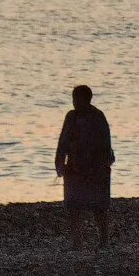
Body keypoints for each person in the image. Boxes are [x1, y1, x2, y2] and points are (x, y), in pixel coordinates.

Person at [55, 84, 115, 246]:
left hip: (96, 170)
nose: (74, 101)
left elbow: (105, 145)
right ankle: (77, 242)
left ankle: (103, 240)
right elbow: (63, 141)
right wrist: (59, 163)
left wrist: (102, 166)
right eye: (73, 98)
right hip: (75, 169)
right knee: (73, 207)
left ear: (86, 99)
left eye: (76, 97)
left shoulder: (98, 117)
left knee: (99, 208)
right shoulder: (71, 116)